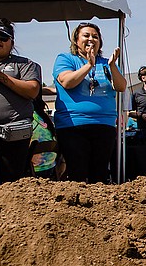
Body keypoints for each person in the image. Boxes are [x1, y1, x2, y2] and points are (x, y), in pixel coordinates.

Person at [52, 22, 125, 183]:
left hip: (104, 125)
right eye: (86, 35)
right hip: (73, 125)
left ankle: (98, 206)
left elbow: (121, 86)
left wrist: (112, 66)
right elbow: (67, 82)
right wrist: (89, 65)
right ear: (76, 40)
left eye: (95, 36)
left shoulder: (107, 63)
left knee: (99, 175)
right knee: (78, 173)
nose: (91, 39)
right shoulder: (66, 59)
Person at [0, 18, 41, 185]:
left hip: (14, 130)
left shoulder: (25, 64)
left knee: (12, 180)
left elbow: (32, 91)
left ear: (11, 41)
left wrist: (0, 76)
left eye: (3, 37)